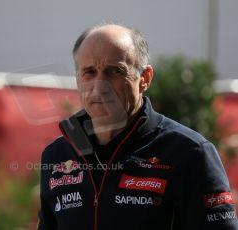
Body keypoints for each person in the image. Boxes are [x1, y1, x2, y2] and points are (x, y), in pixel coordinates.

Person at [37, 24, 238, 230]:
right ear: (77, 79)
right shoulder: (57, 155)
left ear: (145, 78)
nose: (99, 86)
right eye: (89, 72)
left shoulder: (190, 152)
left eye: (115, 71)